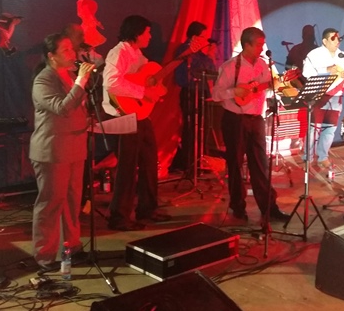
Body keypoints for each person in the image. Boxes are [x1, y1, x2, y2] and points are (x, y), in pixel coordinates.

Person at [28, 33, 96, 272]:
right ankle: (44, 255)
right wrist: (81, 81)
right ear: (51, 56)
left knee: (72, 201)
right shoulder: (43, 80)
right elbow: (62, 108)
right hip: (53, 151)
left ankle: (71, 248)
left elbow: (78, 109)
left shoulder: (68, 75)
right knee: (51, 202)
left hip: (74, 148)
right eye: (65, 50)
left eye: (72, 49)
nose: (72, 54)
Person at [211, 27, 291, 224]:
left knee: (261, 165)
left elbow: (266, 88)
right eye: (258, 45)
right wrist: (234, 92)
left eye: (262, 44)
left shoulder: (262, 65)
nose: (262, 48)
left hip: (256, 119)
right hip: (235, 120)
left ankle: (269, 207)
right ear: (246, 45)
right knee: (235, 164)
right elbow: (216, 94)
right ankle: (238, 206)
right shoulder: (230, 67)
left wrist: (277, 85)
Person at [102, 15, 172, 231]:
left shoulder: (137, 54)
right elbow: (111, 83)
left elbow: (148, 77)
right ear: (137, 33)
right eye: (147, 32)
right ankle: (119, 217)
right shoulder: (119, 52)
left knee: (149, 162)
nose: (150, 37)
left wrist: (156, 89)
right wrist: (143, 92)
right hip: (122, 115)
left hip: (139, 114)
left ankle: (147, 208)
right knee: (127, 167)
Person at [302, 28, 344, 169]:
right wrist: (326, 70)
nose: (337, 41)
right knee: (314, 129)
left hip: (336, 97)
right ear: (325, 41)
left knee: (330, 128)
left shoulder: (342, 56)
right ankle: (308, 158)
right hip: (319, 96)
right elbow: (306, 73)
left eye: (338, 38)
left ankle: (323, 157)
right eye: (333, 38)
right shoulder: (314, 54)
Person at [171, 21, 217, 174]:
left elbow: (211, 72)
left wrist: (210, 56)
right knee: (192, 127)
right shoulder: (185, 50)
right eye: (203, 37)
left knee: (202, 127)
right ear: (194, 37)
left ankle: (199, 160)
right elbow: (189, 73)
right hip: (191, 92)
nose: (205, 40)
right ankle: (190, 163)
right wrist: (208, 57)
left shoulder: (200, 54)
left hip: (201, 92)